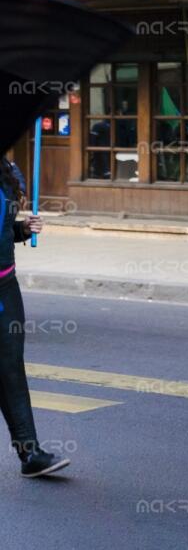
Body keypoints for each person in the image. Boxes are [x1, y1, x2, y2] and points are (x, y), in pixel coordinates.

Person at [0, 158, 68, 478]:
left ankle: (30, 453)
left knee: (11, 367)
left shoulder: (8, 171)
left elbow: (4, 229)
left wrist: (23, 229)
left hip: (5, 286)